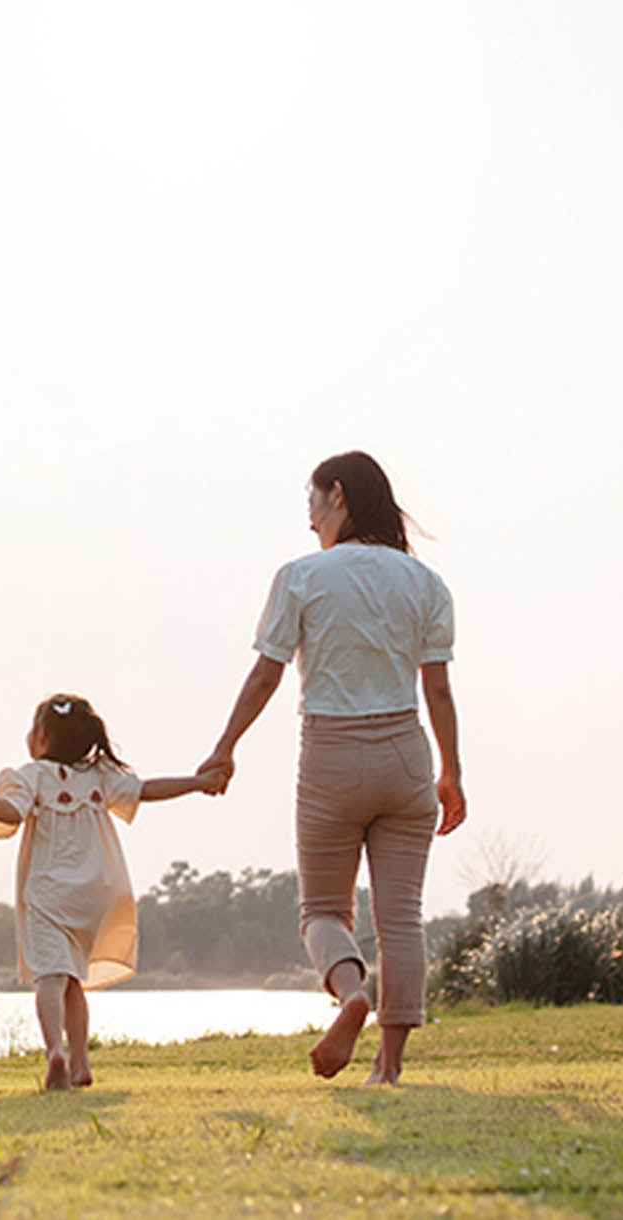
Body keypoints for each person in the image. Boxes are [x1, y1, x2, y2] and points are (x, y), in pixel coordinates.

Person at [197, 451, 466, 1086]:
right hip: (406, 749)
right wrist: (451, 772)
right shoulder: (426, 583)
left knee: (322, 911)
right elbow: (440, 692)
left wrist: (225, 745)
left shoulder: (301, 576)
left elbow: (267, 673)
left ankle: (351, 995)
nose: (309, 518)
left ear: (337, 496)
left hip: (331, 753)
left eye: (312, 502)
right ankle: (389, 1067)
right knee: (402, 917)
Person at [0, 694, 223, 1090]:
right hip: (98, 888)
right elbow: (147, 789)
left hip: (48, 891)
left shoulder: (31, 775)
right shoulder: (99, 775)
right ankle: (80, 1062)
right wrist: (197, 783)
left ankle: (54, 1052)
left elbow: (10, 812)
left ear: (41, 737)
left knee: (49, 977)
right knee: (74, 978)